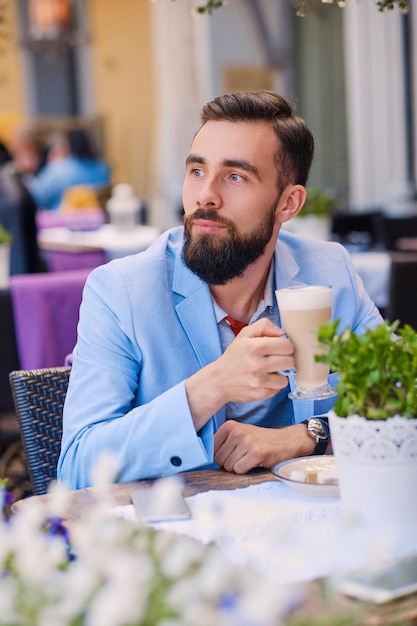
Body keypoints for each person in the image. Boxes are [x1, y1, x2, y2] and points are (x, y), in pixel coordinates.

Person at [58, 91, 383, 489]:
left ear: (288, 203)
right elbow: (77, 466)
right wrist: (211, 387)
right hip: (178, 534)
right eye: (196, 171)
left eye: (235, 176)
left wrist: (307, 436)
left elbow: (400, 395)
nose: (204, 195)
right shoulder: (121, 291)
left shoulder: (330, 272)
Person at [29, 129, 111, 211]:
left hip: (61, 220)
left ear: (67, 146)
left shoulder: (59, 169)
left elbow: (35, 197)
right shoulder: (103, 167)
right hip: (96, 218)